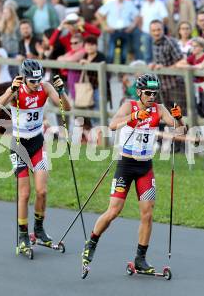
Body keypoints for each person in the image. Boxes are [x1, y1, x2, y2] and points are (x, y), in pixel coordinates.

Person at [81, 73, 184, 277]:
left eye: (155, 92)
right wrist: (134, 117)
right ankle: (91, 241)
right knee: (113, 211)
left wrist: (179, 118)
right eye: (148, 93)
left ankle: (140, 259)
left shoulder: (159, 109)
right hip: (126, 166)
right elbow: (112, 125)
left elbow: (180, 131)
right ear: (139, 92)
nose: (152, 96)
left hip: (145, 167)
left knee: (147, 213)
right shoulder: (130, 105)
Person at [0, 59, 72, 253]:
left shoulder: (44, 88)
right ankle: (22, 235)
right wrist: (11, 90)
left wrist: (62, 91)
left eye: (38, 80)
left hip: (37, 144)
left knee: (42, 191)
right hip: (19, 146)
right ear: (24, 79)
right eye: (32, 82)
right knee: (24, 193)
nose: (36, 85)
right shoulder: (16, 90)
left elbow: (66, 108)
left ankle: (38, 229)